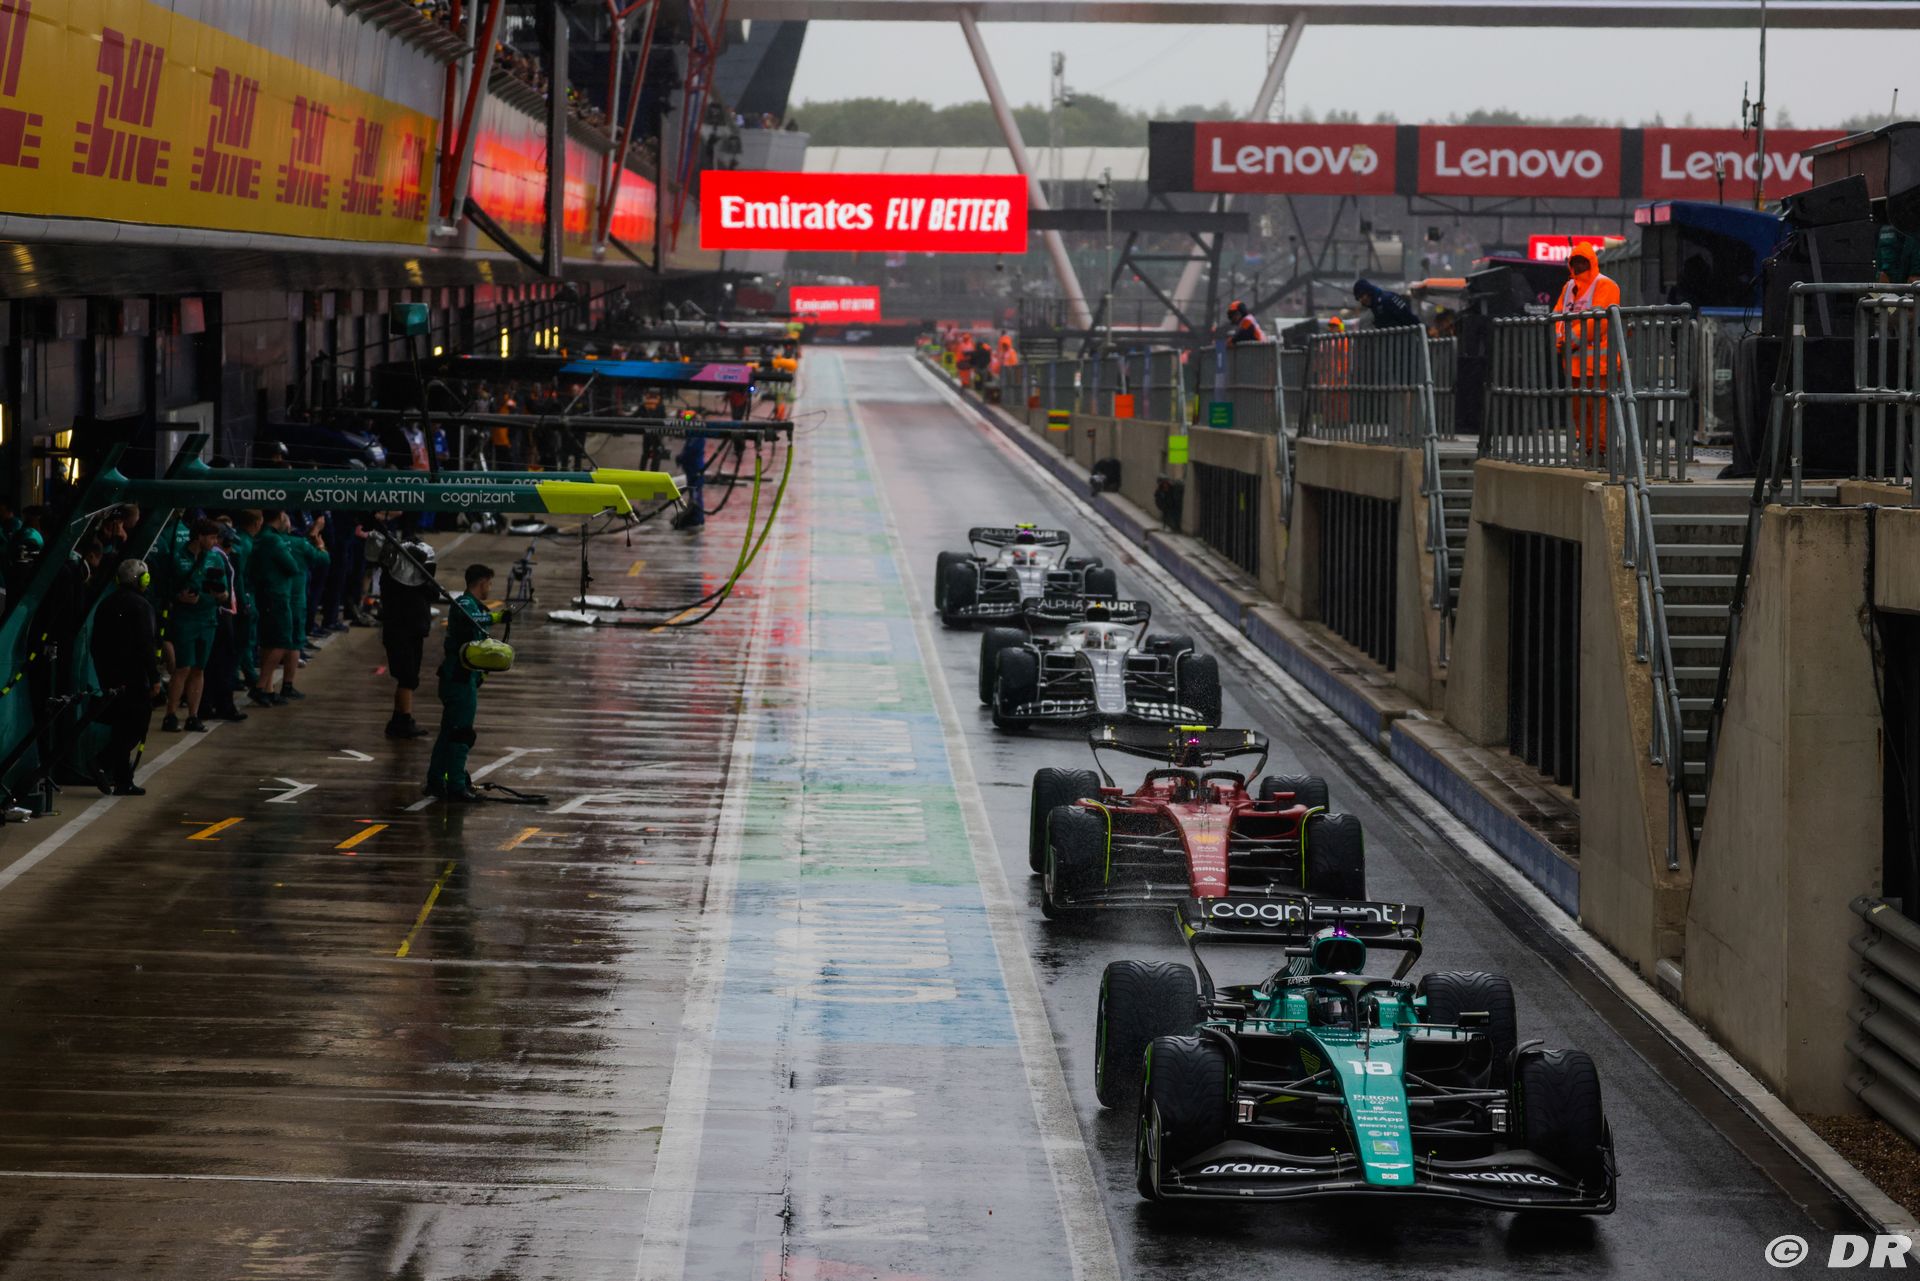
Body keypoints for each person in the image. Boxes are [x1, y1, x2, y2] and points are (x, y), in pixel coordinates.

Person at [425, 564, 504, 801]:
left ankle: (436, 780)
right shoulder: (465, 604)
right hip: (459, 679)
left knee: (449, 732)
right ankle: (456, 785)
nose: (490, 588)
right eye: (489, 583)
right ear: (482, 583)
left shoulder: (472, 605)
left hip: (462, 677)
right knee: (461, 733)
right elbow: (473, 619)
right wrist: (497, 617)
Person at [90, 559, 162, 795]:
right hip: (133, 675)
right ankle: (103, 762)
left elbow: (95, 644)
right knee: (134, 727)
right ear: (142, 580)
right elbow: (146, 645)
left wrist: (104, 674)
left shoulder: (106, 603)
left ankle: (122, 779)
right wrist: (154, 677)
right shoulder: (142, 606)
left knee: (121, 726)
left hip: (110, 675)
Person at [1553, 241, 1621, 462]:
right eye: (1575, 262)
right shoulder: (1568, 288)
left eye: (1583, 262)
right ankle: (1587, 447)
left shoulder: (1606, 285)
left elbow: (1598, 322)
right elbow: (1557, 317)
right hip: (1574, 366)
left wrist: (1569, 340)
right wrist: (1561, 339)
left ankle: (1600, 450)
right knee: (1579, 410)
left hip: (1601, 365)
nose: (1579, 266)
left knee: (1600, 410)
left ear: (1591, 262)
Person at [163, 518, 229, 733]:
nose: (215, 541)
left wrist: (218, 595)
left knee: (199, 668)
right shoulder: (177, 557)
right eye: (212, 537)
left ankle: (193, 715)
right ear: (199, 537)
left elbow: (225, 593)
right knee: (183, 667)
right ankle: (170, 714)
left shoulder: (216, 559)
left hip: (208, 620)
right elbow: (166, 587)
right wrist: (178, 597)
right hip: (185, 619)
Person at [381, 539, 436, 739]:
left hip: (411, 632)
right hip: (401, 633)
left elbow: (433, 593)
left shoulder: (394, 579)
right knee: (407, 678)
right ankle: (403, 720)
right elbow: (432, 592)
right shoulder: (397, 581)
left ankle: (399, 718)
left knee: (408, 678)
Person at [1352, 278, 1420, 329]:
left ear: (1368, 291)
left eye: (1362, 295)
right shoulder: (1373, 308)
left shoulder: (1387, 298)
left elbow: (1406, 315)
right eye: (1358, 298)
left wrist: (1420, 329)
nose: (1361, 300)